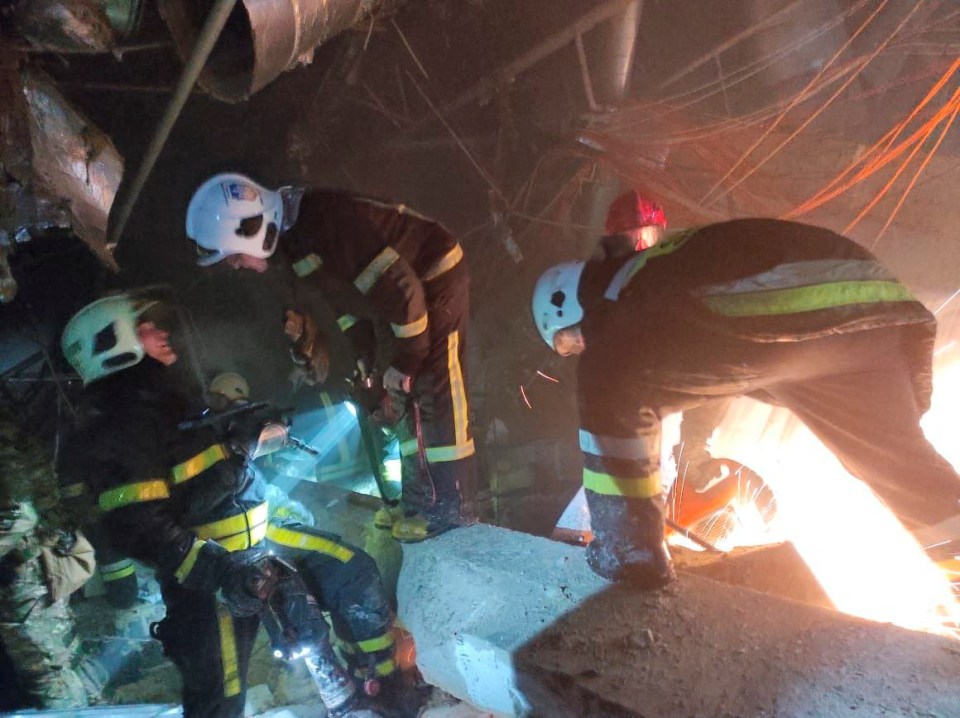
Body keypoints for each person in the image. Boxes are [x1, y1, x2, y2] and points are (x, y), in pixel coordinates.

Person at [531, 218, 960, 588]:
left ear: (574, 306)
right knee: (901, 472)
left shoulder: (635, 296)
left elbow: (638, 384)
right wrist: (695, 451)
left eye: (573, 340)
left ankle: (627, 550)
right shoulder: (660, 285)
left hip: (801, 300)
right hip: (872, 316)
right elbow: (716, 369)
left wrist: (633, 540)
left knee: (610, 378)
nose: (582, 349)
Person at [59, 289, 418, 717]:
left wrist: (245, 436)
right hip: (214, 578)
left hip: (261, 541)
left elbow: (202, 472)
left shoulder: (167, 400)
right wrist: (224, 572)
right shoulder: (123, 426)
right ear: (110, 345)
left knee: (350, 570)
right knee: (222, 699)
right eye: (144, 327)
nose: (160, 331)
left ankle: (378, 693)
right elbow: (139, 526)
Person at [185, 173, 476, 542]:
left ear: (251, 230)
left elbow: (403, 291)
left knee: (433, 382)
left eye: (233, 257)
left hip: (432, 275)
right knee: (400, 398)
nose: (235, 266)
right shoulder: (294, 245)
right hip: (394, 301)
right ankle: (420, 501)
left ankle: (452, 506)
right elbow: (344, 302)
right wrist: (365, 356)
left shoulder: (327, 222)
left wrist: (407, 361)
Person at [597, 190, 733, 491]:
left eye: (649, 235)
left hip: (678, 393)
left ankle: (690, 455)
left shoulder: (678, 274)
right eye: (633, 238)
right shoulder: (604, 287)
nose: (643, 245)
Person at [0, 405, 91, 709]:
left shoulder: (6, 438)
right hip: (31, 565)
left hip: (21, 574)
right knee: (55, 662)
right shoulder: (12, 427)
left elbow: (19, 510)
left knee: (43, 669)